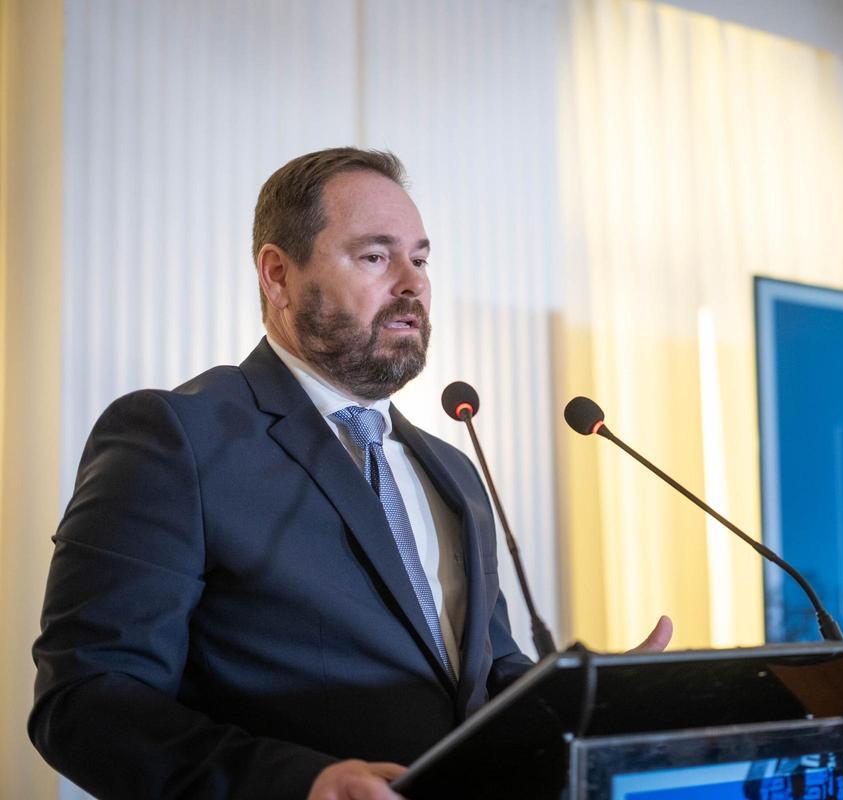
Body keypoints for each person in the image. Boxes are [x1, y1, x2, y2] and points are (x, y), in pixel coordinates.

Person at [29, 147, 671, 800]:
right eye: (375, 256)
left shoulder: (452, 469)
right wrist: (301, 785)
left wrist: (590, 695)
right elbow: (85, 702)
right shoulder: (176, 438)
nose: (413, 283)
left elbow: (485, 677)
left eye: (420, 259)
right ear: (278, 276)